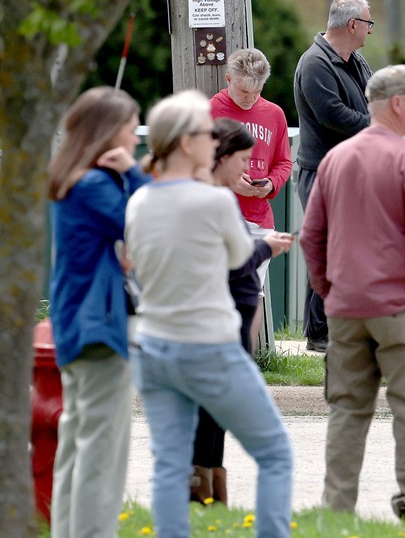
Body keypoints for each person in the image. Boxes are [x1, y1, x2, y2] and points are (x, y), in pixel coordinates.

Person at [125, 90, 293, 537]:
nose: (212, 139)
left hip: (152, 345)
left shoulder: (140, 200)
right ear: (185, 143)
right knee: (274, 452)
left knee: (170, 463)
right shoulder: (215, 202)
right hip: (207, 346)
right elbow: (241, 255)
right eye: (204, 132)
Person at [299, 64, 405, 523]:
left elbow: (311, 237)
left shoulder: (335, 159)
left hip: (346, 307)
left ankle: (337, 512)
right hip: (403, 307)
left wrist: (329, 291)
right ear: (398, 104)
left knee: (347, 411)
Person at [47, 86, 149, 537]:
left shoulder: (74, 180)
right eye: (130, 128)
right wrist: (134, 175)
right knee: (102, 451)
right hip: (99, 327)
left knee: (78, 445)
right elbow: (146, 219)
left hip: (78, 324)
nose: (135, 139)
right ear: (109, 134)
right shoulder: (93, 185)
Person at [189, 118, 295, 505]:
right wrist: (267, 247)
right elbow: (232, 263)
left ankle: (206, 499)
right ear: (222, 156)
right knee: (272, 448)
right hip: (216, 331)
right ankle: (202, 498)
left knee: (210, 423)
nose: (247, 168)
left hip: (222, 331)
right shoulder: (212, 200)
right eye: (243, 159)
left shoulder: (210, 197)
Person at [293, 0, 373, 352]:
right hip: (322, 172)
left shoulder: (356, 61)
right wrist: (379, 126)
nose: (371, 30)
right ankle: (320, 333)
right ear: (353, 25)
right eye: (368, 23)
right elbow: (332, 115)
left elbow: (372, 99)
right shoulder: (315, 63)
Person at [210, 48, 292, 350]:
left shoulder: (274, 114)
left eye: (257, 91)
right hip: (220, 214)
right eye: (243, 91)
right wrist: (232, 183)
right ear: (229, 79)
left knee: (252, 292)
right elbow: (198, 164)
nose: (249, 98)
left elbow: (284, 162)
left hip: (259, 216)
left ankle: (247, 358)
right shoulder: (211, 111)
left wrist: (269, 184)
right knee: (218, 289)